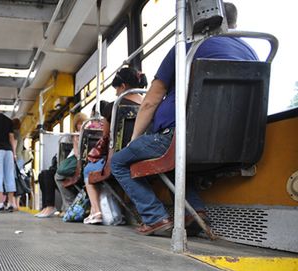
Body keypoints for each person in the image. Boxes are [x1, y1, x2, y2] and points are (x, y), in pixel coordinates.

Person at [110, 2, 257, 235]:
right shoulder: (253, 52)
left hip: (180, 137)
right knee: (173, 161)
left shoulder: (185, 48)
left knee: (118, 162)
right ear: (233, 23)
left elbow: (150, 101)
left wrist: (134, 139)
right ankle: (193, 212)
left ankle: (155, 218)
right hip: (236, 142)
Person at [83, 67, 147, 224]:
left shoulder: (113, 106)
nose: (116, 93)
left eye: (116, 89)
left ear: (123, 86)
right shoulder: (149, 104)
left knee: (88, 170)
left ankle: (97, 211)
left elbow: (106, 137)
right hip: (147, 153)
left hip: (120, 159)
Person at [53, 112, 88, 212]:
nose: (81, 125)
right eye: (79, 123)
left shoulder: (76, 136)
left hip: (78, 162)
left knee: (58, 177)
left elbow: (77, 154)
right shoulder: (82, 135)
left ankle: (69, 204)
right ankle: (69, 205)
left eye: (82, 123)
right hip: (80, 162)